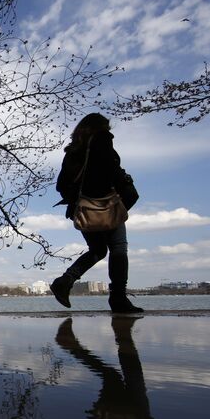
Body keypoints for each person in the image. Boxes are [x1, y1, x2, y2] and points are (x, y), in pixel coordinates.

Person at [50, 113, 142, 313]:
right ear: (100, 128)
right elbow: (111, 171)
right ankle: (118, 298)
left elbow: (61, 185)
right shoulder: (103, 142)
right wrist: (124, 186)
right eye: (107, 128)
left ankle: (65, 281)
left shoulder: (72, 152)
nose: (110, 132)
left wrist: (78, 200)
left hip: (83, 209)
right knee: (118, 248)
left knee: (98, 250)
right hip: (107, 205)